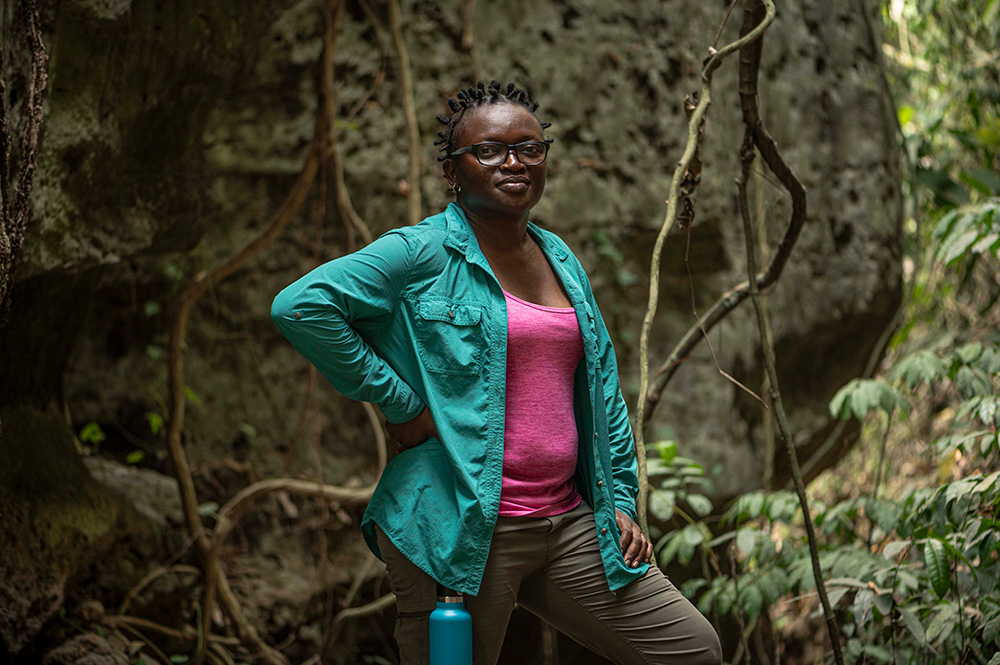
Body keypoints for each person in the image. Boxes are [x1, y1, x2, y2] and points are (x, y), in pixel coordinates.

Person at [272, 80, 722, 665]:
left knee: (692, 651)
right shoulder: (419, 252)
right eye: (489, 150)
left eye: (529, 148)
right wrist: (399, 400)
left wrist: (622, 501)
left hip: (566, 525)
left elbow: (602, 387)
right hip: (461, 526)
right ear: (452, 172)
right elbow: (301, 307)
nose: (513, 161)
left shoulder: (559, 256)